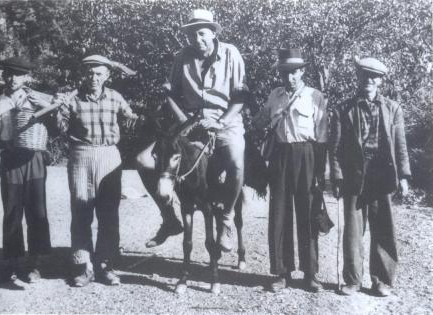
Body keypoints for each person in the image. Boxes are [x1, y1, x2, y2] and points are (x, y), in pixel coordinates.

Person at [137, 8, 248, 252]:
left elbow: (240, 98)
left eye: (201, 34)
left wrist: (219, 123)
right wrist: (187, 121)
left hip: (224, 120)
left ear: (213, 33)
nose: (197, 40)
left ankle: (227, 219)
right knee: (144, 160)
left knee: (236, 161)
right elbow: (170, 93)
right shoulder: (182, 57)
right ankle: (169, 219)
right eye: (192, 35)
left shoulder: (231, 54)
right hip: (188, 120)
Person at [329, 57, 411, 297]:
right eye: (364, 75)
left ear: (380, 81)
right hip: (354, 174)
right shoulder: (343, 108)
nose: (369, 80)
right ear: (358, 77)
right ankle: (352, 280)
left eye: (374, 76)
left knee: (383, 228)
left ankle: (382, 280)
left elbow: (400, 146)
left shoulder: (393, 108)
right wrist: (336, 177)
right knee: (353, 231)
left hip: (382, 174)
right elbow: (335, 149)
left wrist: (404, 176)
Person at [56, 54, 138, 287]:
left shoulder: (115, 97)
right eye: (90, 73)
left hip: (109, 155)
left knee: (108, 213)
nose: (93, 77)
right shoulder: (72, 99)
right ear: (84, 75)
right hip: (81, 154)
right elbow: (59, 129)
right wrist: (59, 107)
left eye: (99, 73)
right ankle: (83, 266)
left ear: (107, 76)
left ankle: (105, 264)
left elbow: (131, 117)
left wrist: (136, 118)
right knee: (81, 210)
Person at [252, 48, 328, 292]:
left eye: (294, 72)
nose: (290, 77)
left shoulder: (316, 96)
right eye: (285, 73)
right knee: (279, 214)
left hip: (307, 154)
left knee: (307, 214)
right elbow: (259, 122)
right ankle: (282, 272)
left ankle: (310, 273)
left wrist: (320, 172)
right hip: (280, 156)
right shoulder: (275, 96)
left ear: (302, 71)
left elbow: (323, 136)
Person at [0, 56, 52, 284]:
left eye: (18, 74)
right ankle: (13, 263)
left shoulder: (41, 99)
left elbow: (58, 126)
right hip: (10, 161)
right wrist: (4, 144)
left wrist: (48, 108)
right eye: (8, 73)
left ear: (27, 76)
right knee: (12, 212)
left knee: (37, 211)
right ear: (3, 75)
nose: (12, 78)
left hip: (35, 159)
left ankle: (35, 264)